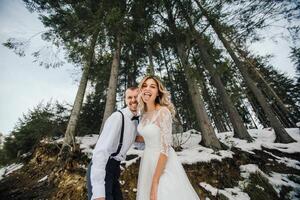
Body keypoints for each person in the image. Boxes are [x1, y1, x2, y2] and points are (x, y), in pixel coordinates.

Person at [136, 76, 200, 200]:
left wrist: (155, 182)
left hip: (163, 163)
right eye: (144, 85)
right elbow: (149, 136)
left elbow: (165, 148)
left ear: (158, 92)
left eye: (152, 86)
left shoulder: (163, 112)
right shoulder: (143, 115)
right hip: (147, 163)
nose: (147, 88)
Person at [87, 87, 139, 200]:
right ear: (125, 100)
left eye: (136, 97)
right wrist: (98, 192)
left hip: (114, 169)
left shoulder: (136, 121)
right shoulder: (117, 118)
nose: (133, 100)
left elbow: (139, 143)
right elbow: (101, 152)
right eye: (129, 97)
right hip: (102, 167)